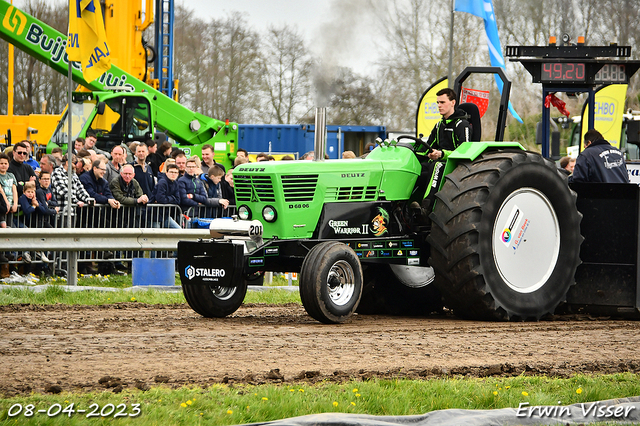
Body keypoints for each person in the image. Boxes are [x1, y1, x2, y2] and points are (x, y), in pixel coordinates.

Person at [178, 158, 208, 224]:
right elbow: (183, 199)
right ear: (185, 168)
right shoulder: (181, 181)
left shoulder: (198, 181)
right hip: (185, 214)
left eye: (193, 167)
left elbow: (204, 198)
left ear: (196, 168)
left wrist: (193, 196)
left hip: (197, 214)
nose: (191, 169)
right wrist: (197, 203)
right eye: (189, 167)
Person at [152, 164, 182, 228]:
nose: (173, 174)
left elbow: (178, 200)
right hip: (154, 214)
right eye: (171, 172)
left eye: (175, 172)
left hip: (165, 214)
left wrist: (169, 198)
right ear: (166, 173)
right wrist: (172, 198)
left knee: (179, 230)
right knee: (156, 235)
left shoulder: (176, 183)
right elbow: (160, 199)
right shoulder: (162, 182)